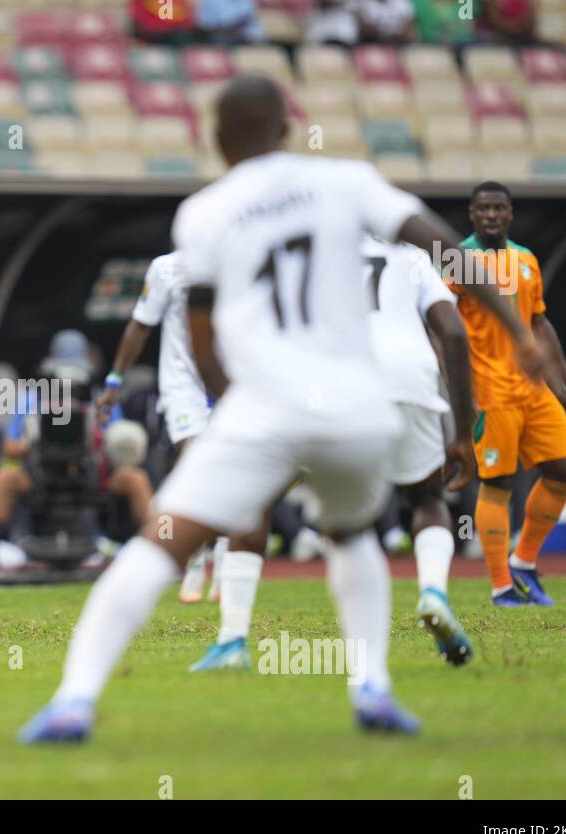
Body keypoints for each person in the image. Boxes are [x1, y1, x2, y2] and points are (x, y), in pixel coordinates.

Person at [18, 75, 544, 744]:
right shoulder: (347, 181)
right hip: (360, 407)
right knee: (352, 534)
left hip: (266, 404)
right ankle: (372, 688)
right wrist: (518, 329)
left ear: (216, 137)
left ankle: (74, 700)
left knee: (162, 543)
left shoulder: (204, 213)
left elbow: (202, 333)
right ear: (289, 129)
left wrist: (229, 398)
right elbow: (443, 243)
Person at [189, 234, 480, 673]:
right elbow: (453, 333)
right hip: (409, 377)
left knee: (255, 503)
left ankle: (232, 639)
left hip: (327, 385)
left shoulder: (310, 250)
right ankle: (433, 593)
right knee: (427, 499)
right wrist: (462, 428)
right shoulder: (414, 256)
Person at [447, 182, 566, 606]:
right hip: (489, 390)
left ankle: (524, 560)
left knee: (565, 469)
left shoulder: (526, 260)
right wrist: (458, 390)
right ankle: (501, 585)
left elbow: (540, 324)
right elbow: (444, 329)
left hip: (533, 389)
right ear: (471, 214)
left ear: (510, 214)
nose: (491, 215)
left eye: (499, 209)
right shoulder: (459, 260)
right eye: (483, 209)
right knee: (498, 484)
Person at [96, 253, 244, 608]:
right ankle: (195, 556)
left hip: (230, 379)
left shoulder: (242, 257)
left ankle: (222, 553)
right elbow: (140, 324)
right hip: (183, 386)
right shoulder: (167, 268)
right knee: (195, 460)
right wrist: (115, 379)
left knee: (227, 466)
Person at [0, 330, 153, 568]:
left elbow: (124, 446)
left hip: (91, 475)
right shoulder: (31, 398)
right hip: (42, 475)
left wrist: (99, 441)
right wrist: (31, 441)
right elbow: (8, 447)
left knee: (135, 478)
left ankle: (155, 548)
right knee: (5, 477)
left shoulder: (102, 399)